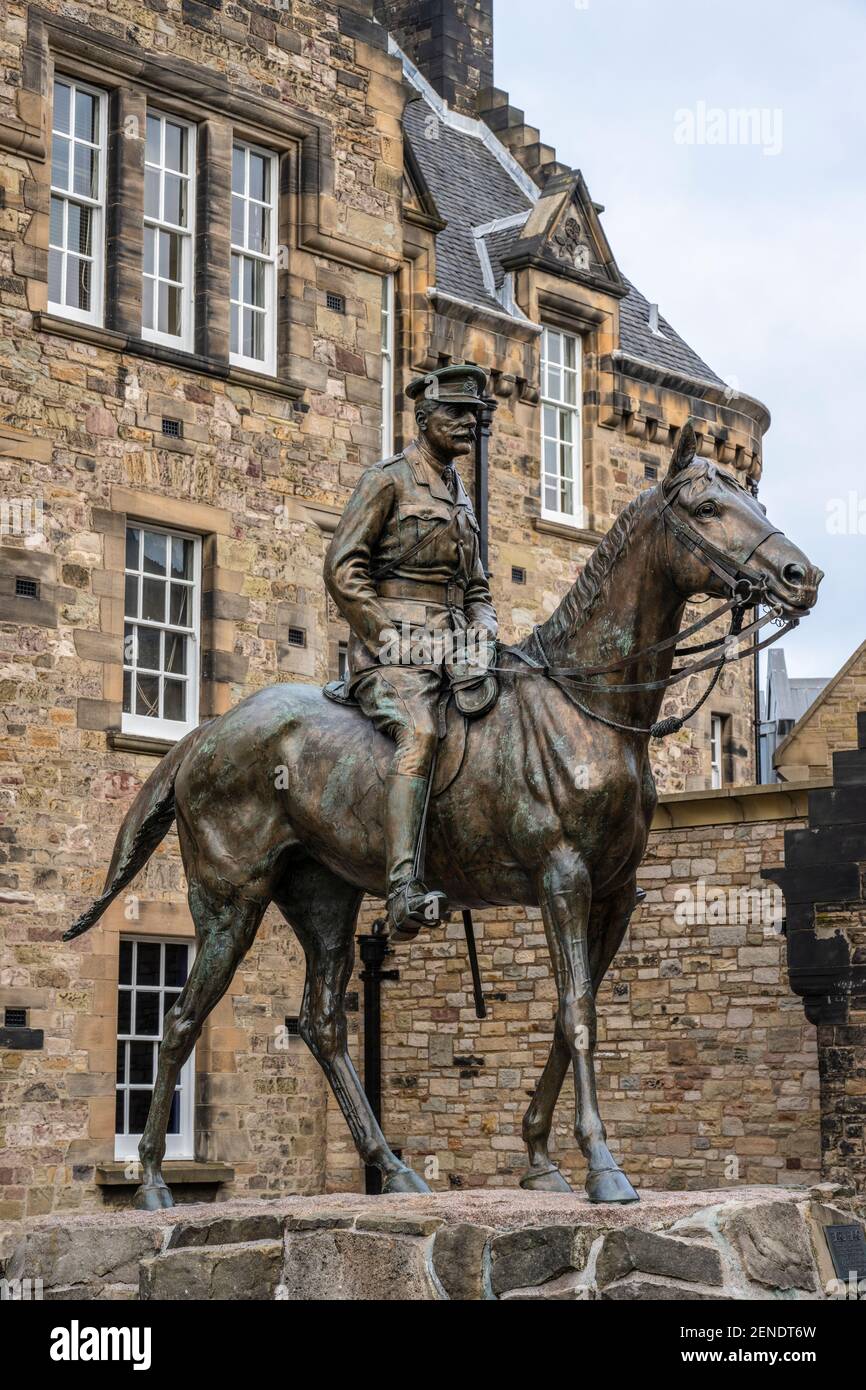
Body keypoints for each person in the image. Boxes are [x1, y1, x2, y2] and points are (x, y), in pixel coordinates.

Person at [324, 364, 498, 940]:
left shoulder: (463, 500)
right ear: (425, 418)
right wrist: (386, 636)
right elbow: (344, 569)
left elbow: (478, 590)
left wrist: (486, 633)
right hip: (393, 653)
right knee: (420, 732)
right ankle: (403, 886)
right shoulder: (388, 480)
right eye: (455, 414)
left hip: (455, 648)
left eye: (474, 416)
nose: (467, 425)